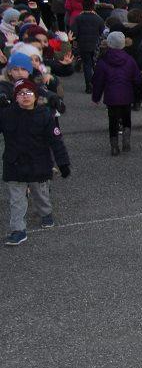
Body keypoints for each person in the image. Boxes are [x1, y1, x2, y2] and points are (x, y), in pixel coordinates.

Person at [1, 79, 71, 246]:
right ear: (15, 97)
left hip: (38, 163)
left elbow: (56, 141)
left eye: (29, 93)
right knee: (16, 199)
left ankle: (46, 213)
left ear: (36, 96)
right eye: (20, 93)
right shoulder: (6, 114)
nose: (25, 96)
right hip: (14, 163)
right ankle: (18, 230)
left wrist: (63, 163)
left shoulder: (45, 115)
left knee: (40, 193)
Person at [91, 31, 142, 156]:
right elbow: (136, 78)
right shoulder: (130, 60)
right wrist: (138, 95)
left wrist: (96, 96)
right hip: (126, 94)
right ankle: (126, 139)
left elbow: (98, 81)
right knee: (126, 117)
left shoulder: (103, 62)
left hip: (111, 96)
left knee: (112, 120)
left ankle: (114, 146)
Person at [72, 0, 104, 93]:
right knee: (95, 64)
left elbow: (74, 33)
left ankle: (88, 86)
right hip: (95, 45)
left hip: (83, 44)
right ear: (93, 6)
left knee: (87, 64)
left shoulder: (78, 18)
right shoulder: (98, 19)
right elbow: (102, 31)